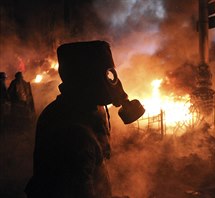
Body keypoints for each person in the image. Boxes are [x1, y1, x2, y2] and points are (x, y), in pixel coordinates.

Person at [25, 41, 145, 198]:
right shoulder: (74, 133)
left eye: (112, 74)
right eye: (107, 75)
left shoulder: (84, 108)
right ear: (87, 79)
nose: (114, 82)